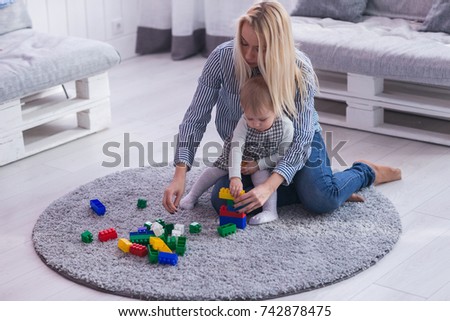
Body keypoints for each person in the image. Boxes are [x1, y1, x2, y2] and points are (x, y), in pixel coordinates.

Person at [162, 0, 401, 219]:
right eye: (243, 43)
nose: (248, 54)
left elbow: (303, 138)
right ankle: (315, 186)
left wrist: (267, 186)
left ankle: (364, 172)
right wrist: (180, 173)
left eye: (259, 48)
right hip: (250, 150)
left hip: (297, 144)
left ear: (277, 46)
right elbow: (196, 117)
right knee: (223, 201)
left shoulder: (299, 68)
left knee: (321, 199)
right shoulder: (222, 58)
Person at [179, 75, 294, 225]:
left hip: (263, 159)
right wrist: (235, 176)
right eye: (250, 118)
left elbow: (282, 154)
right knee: (214, 171)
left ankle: (270, 211)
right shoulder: (244, 121)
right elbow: (236, 147)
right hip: (238, 155)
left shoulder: (286, 125)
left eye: (262, 119)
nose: (255, 124)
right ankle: (192, 196)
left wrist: (259, 165)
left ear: (276, 107)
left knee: (261, 178)